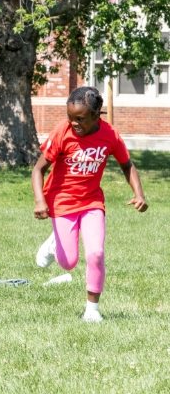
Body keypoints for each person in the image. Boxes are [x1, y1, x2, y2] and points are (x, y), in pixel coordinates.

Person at [31, 86, 147, 322]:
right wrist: (40, 201)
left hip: (92, 202)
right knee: (68, 263)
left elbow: (127, 165)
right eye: (70, 117)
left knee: (96, 253)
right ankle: (56, 246)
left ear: (96, 115)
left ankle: (92, 310)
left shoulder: (110, 135)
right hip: (61, 202)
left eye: (80, 119)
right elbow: (38, 169)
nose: (74, 123)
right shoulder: (62, 132)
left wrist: (139, 193)